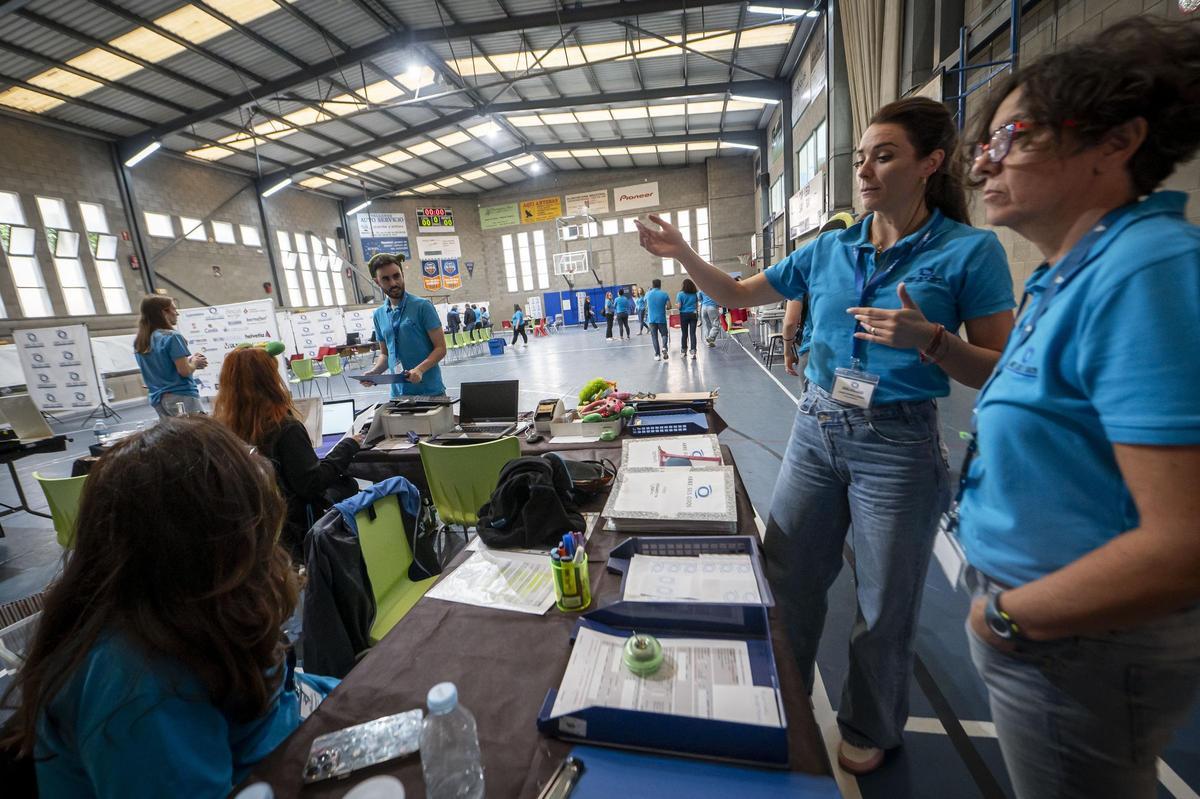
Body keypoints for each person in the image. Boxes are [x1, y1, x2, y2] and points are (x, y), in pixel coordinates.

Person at [636, 96, 1016, 774]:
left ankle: (870, 721)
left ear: (930, 163)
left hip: (897, 443)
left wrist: (931, 341)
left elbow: (1000, 366)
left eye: (885, 154)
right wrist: (683, 251)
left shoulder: (970, 252)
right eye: (862, 155)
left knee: (883, 599)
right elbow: (734, 293)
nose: (865, 168)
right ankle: (782, 693)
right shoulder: (829, 248)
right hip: (816, 426)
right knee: (786, 575)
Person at [953, 19, 1200, 798]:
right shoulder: (1069, 272)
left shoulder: (1144, 272)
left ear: (1118, 141)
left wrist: (1010, 618)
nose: (986, 161)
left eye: (1014, 137)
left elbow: (1185, 540)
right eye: (982, 145)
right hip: (1046, 618)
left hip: (1074, 636)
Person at [0, 416, 339, 797]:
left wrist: (346, 696)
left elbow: (279, 694)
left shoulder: (196, 609)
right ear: (214, 541)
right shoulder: (138, 688)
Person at [213, 347, 362, 558]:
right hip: (294, 524)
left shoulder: (223, 429)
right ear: (270, 381)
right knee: (347, 484)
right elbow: (311, 484)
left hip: (256, 522)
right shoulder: (284, 427)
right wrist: (348, 446)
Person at [360, 253, 447, 397]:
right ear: (377, 282)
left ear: (402, 274)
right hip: (398, 396)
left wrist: (420, 369)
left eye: (396, 276)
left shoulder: (423, 306)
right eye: (386, 279)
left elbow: (441, 348)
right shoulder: (378, 315)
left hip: (429, 393)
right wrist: (375, 372)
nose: (393, 283)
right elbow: (385, 354)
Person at [133, 295, 208, 418]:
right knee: (196, 435)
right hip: (182, 397)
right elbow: (184, 371)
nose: (177, 313)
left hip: (158, 400)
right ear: (164, 312)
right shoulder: (172, 337)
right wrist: (194, 362)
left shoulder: (140, 341)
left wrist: (187, 361)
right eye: (174, 309)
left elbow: (161, 368)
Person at [644, 278, 672, 362]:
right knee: (664, 334)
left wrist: (649, 291)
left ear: (652, 285)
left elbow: (645, 301)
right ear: (660, 285)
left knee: (654, 337)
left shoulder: (648, 294)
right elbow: (669, 306)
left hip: (651, 319)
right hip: (661, 319)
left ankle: (657, 354)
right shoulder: (664, 294)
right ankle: (664, 347)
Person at [676, 279, 700, 358]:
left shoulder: (680, 294)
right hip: (693, 314)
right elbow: (697, 306)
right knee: (692, 333)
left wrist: (677, 306)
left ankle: (683, 351)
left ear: (683, 285)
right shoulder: (695, 294)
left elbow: (679, 307)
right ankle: (693, 352)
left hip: (684, 315)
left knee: (684, 333)